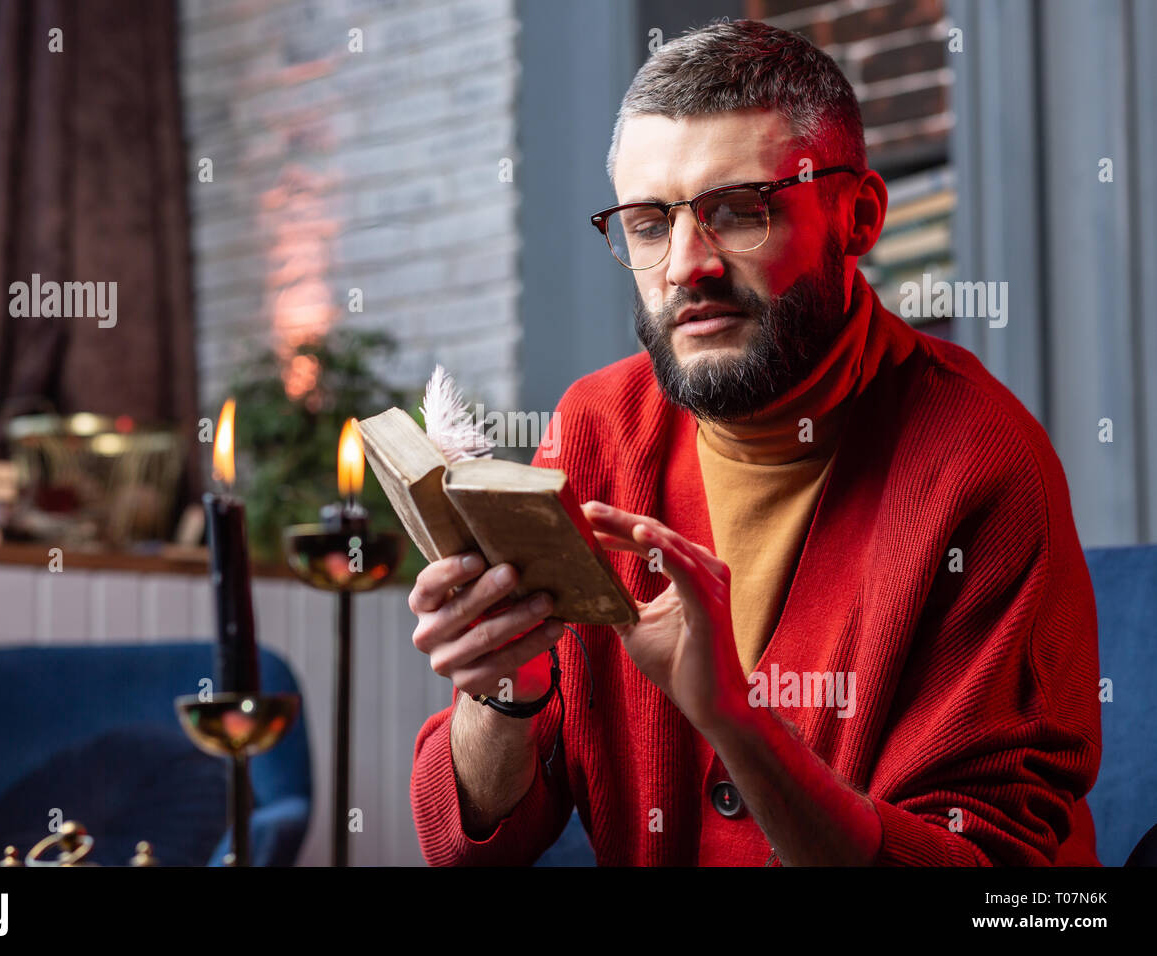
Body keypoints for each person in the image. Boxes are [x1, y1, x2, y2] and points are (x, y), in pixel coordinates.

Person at [407, 18, 1101, 866]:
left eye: (739, 212)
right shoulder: (595, 428)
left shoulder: (983, 463)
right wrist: (500, 693)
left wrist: (734, 720)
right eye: (650, 223)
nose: (685, 265)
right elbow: (472, 849)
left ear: (859, 216)